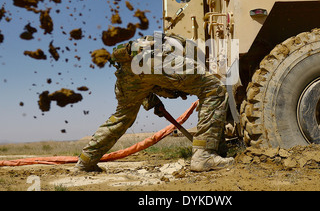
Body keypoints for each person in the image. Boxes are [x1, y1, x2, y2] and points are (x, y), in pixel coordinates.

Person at [74, 33, 234, 172]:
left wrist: (153, 102)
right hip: (153, 59)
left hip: (127, 66)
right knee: (215, 89)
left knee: (123, 117)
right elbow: (186, 83)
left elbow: (146, 80)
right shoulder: (192, 52)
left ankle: (86, 162)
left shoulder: (165, 43)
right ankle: (204, 155)